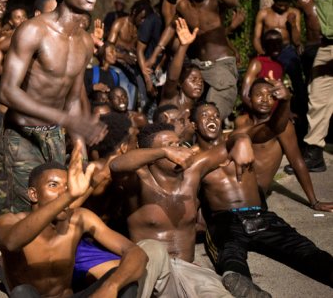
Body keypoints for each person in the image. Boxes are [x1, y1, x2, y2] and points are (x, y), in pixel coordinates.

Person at [0, 0, 107, 217]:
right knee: (25, 212)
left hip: (54, 133)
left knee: (56, 208)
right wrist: (68, 120)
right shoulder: (33, 31)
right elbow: (7, 91)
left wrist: (80, 146)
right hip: (22, 134)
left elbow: (74, 96)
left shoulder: (86, 42)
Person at [194, 101, 333, 296]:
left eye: (216, 115)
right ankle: (248, 290)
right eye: (205, 115)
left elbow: (273, 127)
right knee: (230, 255)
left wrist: (284, 101)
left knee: (304, 249)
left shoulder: (238, 139)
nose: (212, 119)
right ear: (194, 124)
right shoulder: (193, 158)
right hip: (224, 219)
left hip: (260, 215)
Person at [109, 120, 252, 297]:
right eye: (170, 146)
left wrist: (242, 139)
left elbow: (229, 144)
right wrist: (163, 152)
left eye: (178, 144)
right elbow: (115, 165)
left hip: (189, 271)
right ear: (151, 155)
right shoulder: (138, 180)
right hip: (150, 272)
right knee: (151, 248)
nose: (177, 149)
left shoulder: (193, 172)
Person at [0, 140, 152, 297]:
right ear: (33, 194)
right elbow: (11, 243)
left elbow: (136, 252)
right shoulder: (8, 221)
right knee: (22, 292)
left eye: (67, 186)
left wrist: (111, 286)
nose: (63, 192)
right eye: (53, 185)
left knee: (124, 280)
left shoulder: (79, 217)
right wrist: (70, 195)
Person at [221, 0, 333, 173]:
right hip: (327, 45)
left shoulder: (293, 14)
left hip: (300, 49)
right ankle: (315, 151)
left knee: (303, 87)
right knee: (317, 96)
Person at [152, 0, 240, 122]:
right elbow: (172, 28)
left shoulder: (214, 0)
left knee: (212, 114)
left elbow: (233, 2)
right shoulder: (183, 6)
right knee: (188, 106)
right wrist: (154, 55)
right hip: (198, 66)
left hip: (220, 64)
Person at [235, 79, 333, 211]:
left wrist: (314, 201)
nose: (265, 100)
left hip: (253, 193)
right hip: (234, 185)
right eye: (259, 95)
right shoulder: (241, 121)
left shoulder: (284, 127)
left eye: (270, 96)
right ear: (249, 98)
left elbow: (297, 161)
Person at [253, 0, 308, 139]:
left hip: (286, 50)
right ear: (274, 2)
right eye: (279, 5)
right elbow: (257, 38)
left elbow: (297, 41)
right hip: (267, 50)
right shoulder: (264, 14)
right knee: (266, 81)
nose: (283, 8)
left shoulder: (294, 12)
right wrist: (262, 55)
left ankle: (301, 115)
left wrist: (292, 25)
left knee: (298, 83)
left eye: (285, 5)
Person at [158, 18, 203, 115]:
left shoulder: (198, 110)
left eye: (201, 81)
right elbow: (172, 78)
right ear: (180, 83)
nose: (199, 83)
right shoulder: (171, 97)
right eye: (193, 80)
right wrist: (183, 46)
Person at [240, 29, 285, 108]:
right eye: (272, 43)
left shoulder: (280, 65)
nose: (276, 46)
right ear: (264, 46)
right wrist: (261, 116)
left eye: (278, 43)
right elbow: (245, 95)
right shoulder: (257, 63)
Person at [0, 5, 29, 77]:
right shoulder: (3, 39)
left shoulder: (34, 34)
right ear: (11, 22)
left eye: (24, 16)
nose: (22, 20)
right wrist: (13, 76)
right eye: (18, 17)